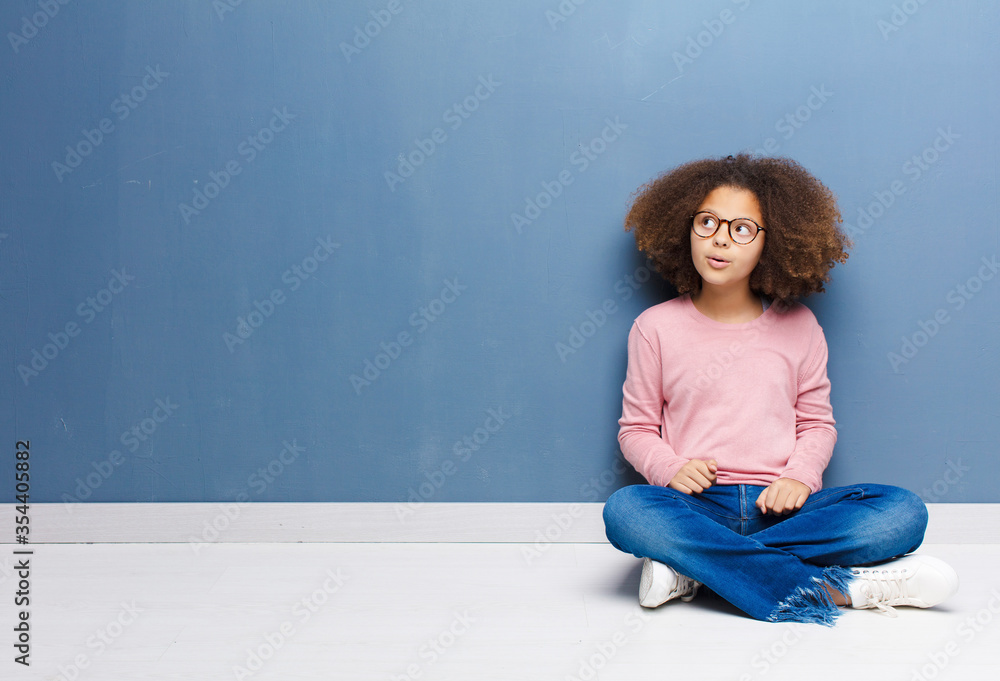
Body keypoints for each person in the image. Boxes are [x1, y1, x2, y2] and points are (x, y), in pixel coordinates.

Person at [602, 154, 958, 625]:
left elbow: (816, 424)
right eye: (707, 222)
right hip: (696, 506)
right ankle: (845, 590)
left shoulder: (800, 326)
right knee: (626, 510)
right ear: (685, 227)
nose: (721, 238)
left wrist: (800, 477)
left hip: (788, 510)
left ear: (772, 243)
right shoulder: (654, 328)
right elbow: (637, 429)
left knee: (901, 512)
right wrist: (669, 468)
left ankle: (694, 571)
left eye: (742, 228)